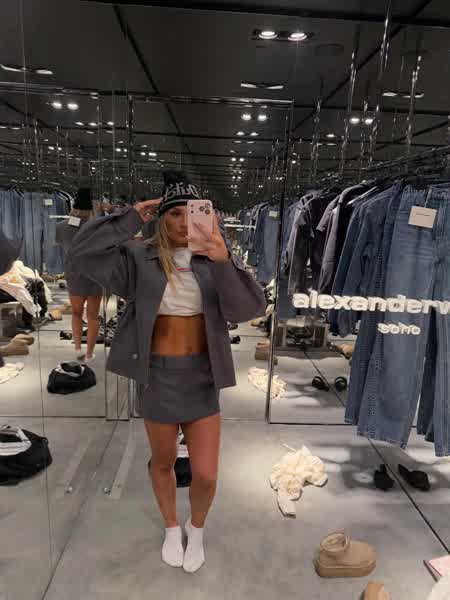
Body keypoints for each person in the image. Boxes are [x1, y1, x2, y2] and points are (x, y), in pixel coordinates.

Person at [68, 170, 266, 573]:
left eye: (192, 212)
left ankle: (198, 528)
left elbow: (249, 309)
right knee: (163, 462)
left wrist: (223, 260)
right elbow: (80, 253)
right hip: (157, 376)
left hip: (202, 377)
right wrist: (128, 218)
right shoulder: (138, 259)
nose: (182, 221)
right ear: (161, 218)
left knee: (206, 474)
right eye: (174, 213)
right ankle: (172, 527)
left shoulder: (214, 258)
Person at [55, 188, 104, 362]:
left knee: (76, 313)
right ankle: (89, 353)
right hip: (95, 274)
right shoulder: (98, 227)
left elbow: (61, 244)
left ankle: (78, 349)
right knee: (93, 316)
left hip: (74, 273)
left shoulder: (61, 226)